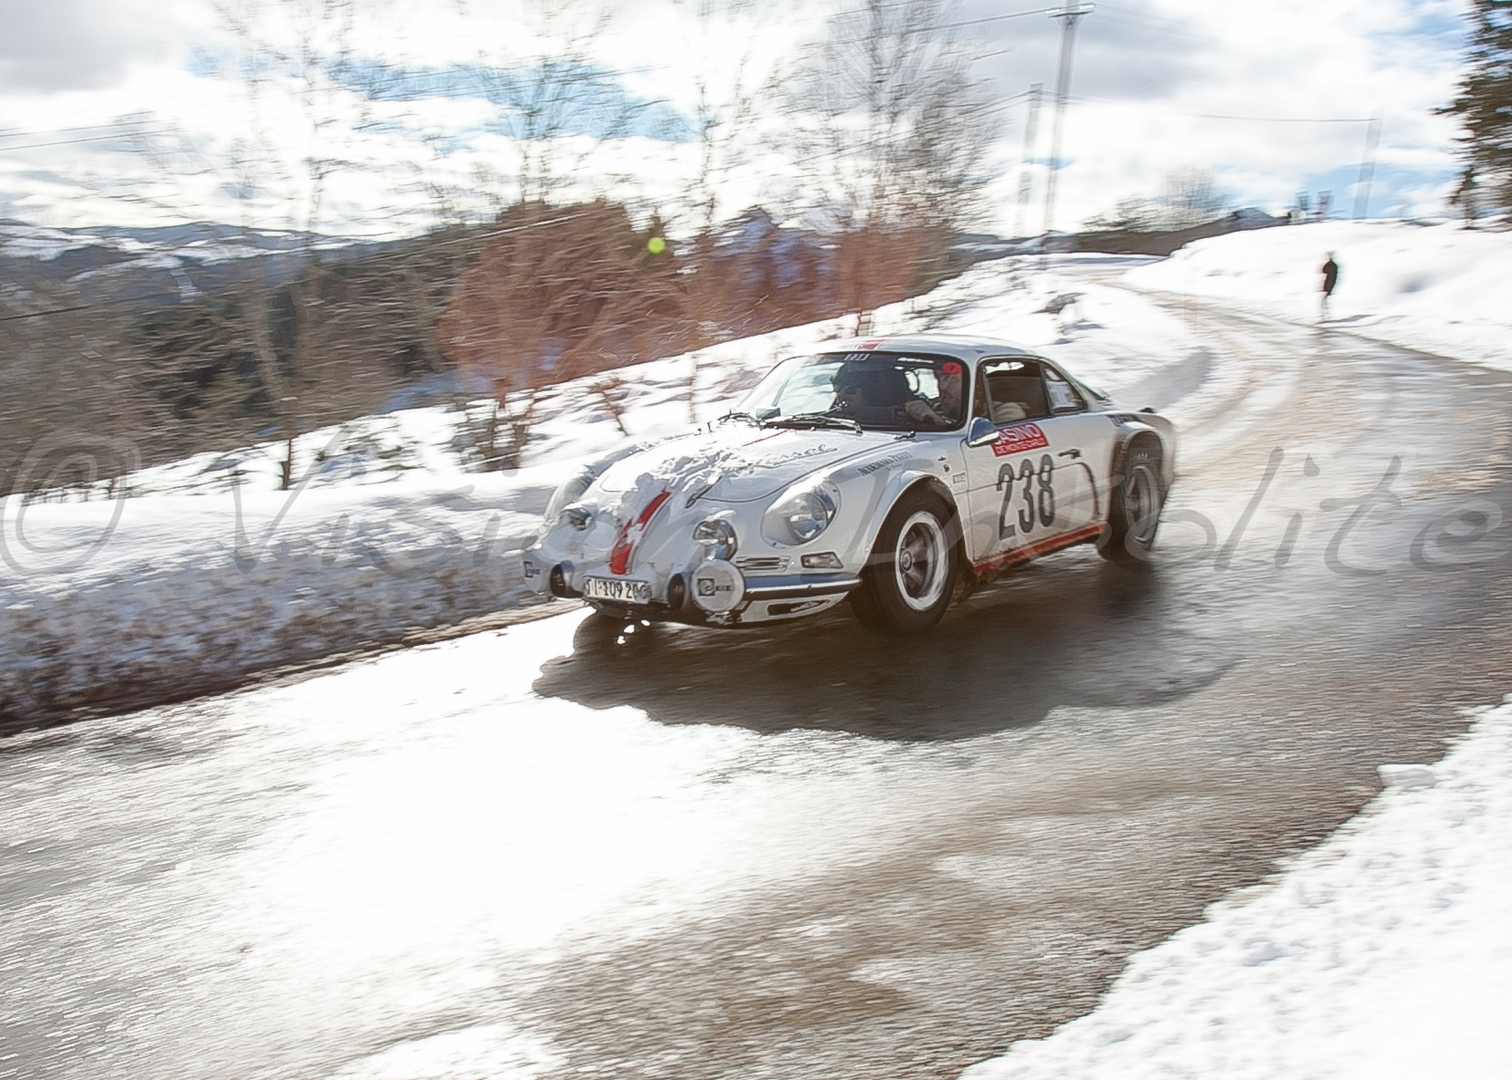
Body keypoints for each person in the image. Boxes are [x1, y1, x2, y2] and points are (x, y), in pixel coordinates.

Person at [901, 362, 966, 427]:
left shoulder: (968, 417)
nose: (942, 387)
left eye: (946, 378)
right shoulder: (936, 407)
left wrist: (933, 419)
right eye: (938, 379)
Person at [1320, 253, 1340, 320]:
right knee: (1324, 301)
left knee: (1324, 301)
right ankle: (1325, 315)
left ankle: (1325, 315)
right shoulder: (1334, 266)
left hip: (1329, 286)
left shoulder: (1332, 266)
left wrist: (1327, 288)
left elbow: (1324, 270)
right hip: (1328, 285)